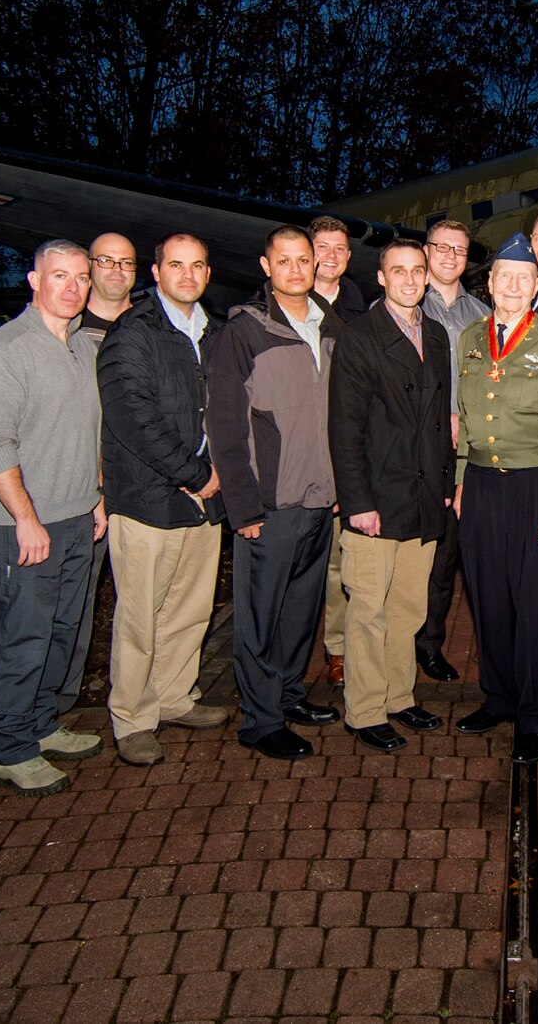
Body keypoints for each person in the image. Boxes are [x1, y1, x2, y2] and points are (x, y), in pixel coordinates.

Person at [0, 240, 109, 797]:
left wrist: (96, 495)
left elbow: (90, 431)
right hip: (20, 528)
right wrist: (24, 518)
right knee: (19, 638)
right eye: (59, 276)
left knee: (62, 633)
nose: (71, 287)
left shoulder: (82, 348)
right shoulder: (6, 350)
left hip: (77, 518)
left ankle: (43, 723)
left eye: (80, 278)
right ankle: (10, 748)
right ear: (34, 279)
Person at [453, 233, 538, 764]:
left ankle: (536, 716)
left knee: (535, 604)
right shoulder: (468, 337)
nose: (512, 285)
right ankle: (499, 698)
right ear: (488, 284)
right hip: (483, 485)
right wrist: (463, 479)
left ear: (536, 286)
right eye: (503, 277)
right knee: (488, 599)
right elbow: (464, 421)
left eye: (523, 278)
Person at [97, 233, 231, 768]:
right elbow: (133, 417)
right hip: (149, 499)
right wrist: (195, 474)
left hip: (205, 499)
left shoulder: (216, 335)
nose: (188, 275)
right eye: (176, 265)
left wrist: (223, 476)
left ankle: (176, 697)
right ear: (156, 273)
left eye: (198, 265)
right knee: (140, 616)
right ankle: (132, 719)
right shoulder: (131, 334)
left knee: (190, 608)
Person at [210, 225, 343, 760]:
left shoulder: (329, 326)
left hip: (319, 496)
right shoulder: (244, 331)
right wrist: (242, 505)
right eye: (284, 260)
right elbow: (225, 423)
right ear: (266, 266)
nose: (296, 269)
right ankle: (259, 719)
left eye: (304, 260)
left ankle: (288, 694)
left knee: (300, 609)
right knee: (260, 613)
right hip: (270, 500)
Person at [327, 240, 455, 752]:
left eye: (416, 271)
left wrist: (445, 489)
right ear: (380, 278)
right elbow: (344, 428)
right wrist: (358, 503)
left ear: (426, 277)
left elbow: (443, 423)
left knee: (407, 610)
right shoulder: (360, 338)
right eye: (397, 271)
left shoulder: (439, 335)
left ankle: (400, 697)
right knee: (368, 612)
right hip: (376, 500)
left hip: (424, 499)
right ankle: (364, 710)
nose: (408, 279)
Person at [416, 219, 491, 683]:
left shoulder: (482, 314)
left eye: (459, 250)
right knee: (409, 551)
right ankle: (392, 644)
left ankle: (429, 644)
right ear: (426, 251)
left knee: (447, 555)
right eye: (440, 247)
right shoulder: (403, 302)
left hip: (465, 451)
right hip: (412, 449)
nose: (449, 256)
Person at [307, 215, 366, 688]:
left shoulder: (359, 311)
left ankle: (339, 648)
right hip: (297, 458)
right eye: (322, 247)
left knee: (339, 565)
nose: (331, 256)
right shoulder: (280, 305)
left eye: (339, 248)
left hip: (342, 451)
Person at [80, 232, 139, 332]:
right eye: (106, 261)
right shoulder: (68, 326)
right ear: (89, 266)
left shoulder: (152, 329)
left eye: (126, 263)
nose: (117, 269)